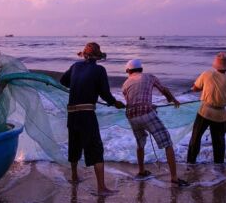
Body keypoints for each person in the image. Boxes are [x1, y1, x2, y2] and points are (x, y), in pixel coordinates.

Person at [60, 42, 125, 196]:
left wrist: (78, 85)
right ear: (98, 57)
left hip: (72, 114)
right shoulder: (100, 70)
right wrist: (115, 103)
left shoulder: (75, 66)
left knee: (74, 145)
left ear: (84, 55)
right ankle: (101, 188)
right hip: (86, 114)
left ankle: (74, 177)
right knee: (96, 148)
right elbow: (105, 94)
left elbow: (63, 81)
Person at [121, 59, 187, 186]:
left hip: (131, 115)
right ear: (141, 69)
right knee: (167, 143)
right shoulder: (149, 77)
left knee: (140, 144)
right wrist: (172, 99)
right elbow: (164, 90)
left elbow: (132, 101)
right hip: (146, 113)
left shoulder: (125, 83)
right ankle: (174, 178)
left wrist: (150, 105)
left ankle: (141, 171)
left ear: (128, 71)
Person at [186, 51, 226, 164]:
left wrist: (196, 89)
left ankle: (190, 162)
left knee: (196, 138)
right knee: (219, 142)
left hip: (205, 111)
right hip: (220, 115)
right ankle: (219, 165)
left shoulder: (206, 74)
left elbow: (196, 88)